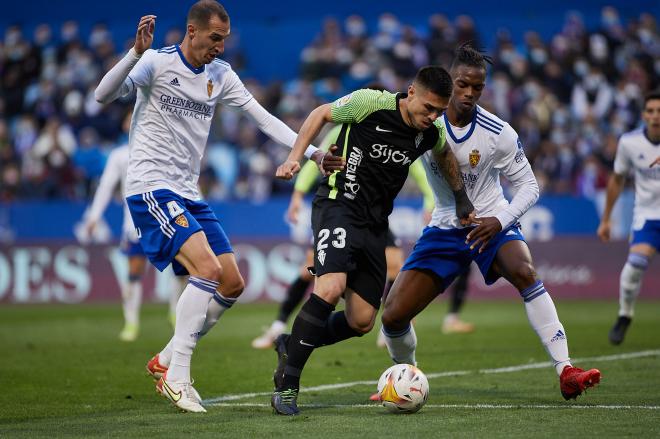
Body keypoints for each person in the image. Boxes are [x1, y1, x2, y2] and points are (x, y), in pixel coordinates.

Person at [94, 0, 343, 413]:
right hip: (151, 188)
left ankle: (166, 359)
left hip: (189, 193)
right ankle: (178, 379)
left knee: (231, 284)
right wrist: (135, 52)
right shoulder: (155, 62)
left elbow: (263, 119)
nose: (220, 48)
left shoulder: (220, 75)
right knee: (206, 271)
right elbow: (103, 95)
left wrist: (313, 153)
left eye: (224, 40)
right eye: (214, 39)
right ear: (191, 32)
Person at [376, 44, 601, 402]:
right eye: (462, 84)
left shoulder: (499, 133)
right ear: (449, 81)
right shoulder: (423, 121)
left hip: (491, 223)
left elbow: (530, 186)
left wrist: (501, 220)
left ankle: (566, 370)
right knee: (392, 317)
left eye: (477, 87)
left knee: (525, 271)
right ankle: (406, 381)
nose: (468, 93)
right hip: (445, 228)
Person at [270, 65, 474, 415]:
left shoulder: (431, 132)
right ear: (411, 93)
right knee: (330, 288)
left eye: (440, 111)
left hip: (375, 225)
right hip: (338, 205)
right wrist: (295, 157)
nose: (433, 116)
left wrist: (461, 199)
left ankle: (292, 342)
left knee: (362, 321)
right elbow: (321, 113)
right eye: (428, 108)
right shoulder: (370, 103)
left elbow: (446, 157)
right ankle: (287, 386)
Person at [251, 120, 439, 350]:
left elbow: (417, 169)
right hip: (340, 210)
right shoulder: (341, 131)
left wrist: (430, 203)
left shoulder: (396, 134)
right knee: (308, 269)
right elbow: (315, 162)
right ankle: (279, 325)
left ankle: (392, 327)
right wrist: (298, 195)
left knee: (396, 266)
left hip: (373, 215)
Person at [82, 111, 183, 341]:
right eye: (129, 118)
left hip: (167, 218)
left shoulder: (163, 148)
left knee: (181, 269)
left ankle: (175, 313)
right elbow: (106, 186)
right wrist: (94, 216)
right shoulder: (119, 155)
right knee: (135, 272)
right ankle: (131, 323)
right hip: (136, 223)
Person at [597, 91, 660, 345]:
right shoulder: (629, 142)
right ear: (644, 115)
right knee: (635, 264)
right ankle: (625, 315)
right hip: (647, 216)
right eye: (651, 111)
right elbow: (617, 179)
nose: (656, 116)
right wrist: (606, 219)